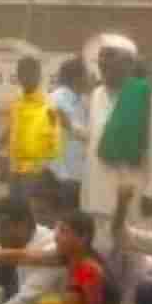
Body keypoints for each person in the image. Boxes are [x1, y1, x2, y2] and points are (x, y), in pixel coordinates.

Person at [83, 35, 152, 304]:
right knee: (101, 253)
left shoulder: (145, 95)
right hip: (97, 188)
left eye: (110, 56)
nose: (103, 62)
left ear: (129, 63)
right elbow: (97, 139)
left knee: (132, 255)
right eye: (101, 57)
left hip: (131, 189)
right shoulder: (95, 96)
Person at [7, 55, 59, 202]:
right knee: (14, 214)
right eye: (21, 73)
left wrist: (42, 168)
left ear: (38, 75)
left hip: (34, 173)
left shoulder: (49, 104)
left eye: (28, 73)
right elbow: (13, 129)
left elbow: (54, 139)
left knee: (30, 216)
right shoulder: (15, 101)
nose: (24, 77)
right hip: (14, 169)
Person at [48, 57, 89, 211]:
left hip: (77, 175)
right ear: (76, 77)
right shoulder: (57, 99)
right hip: (62, 176)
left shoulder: (82, 100)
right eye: (86, 74)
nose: (89, 79)